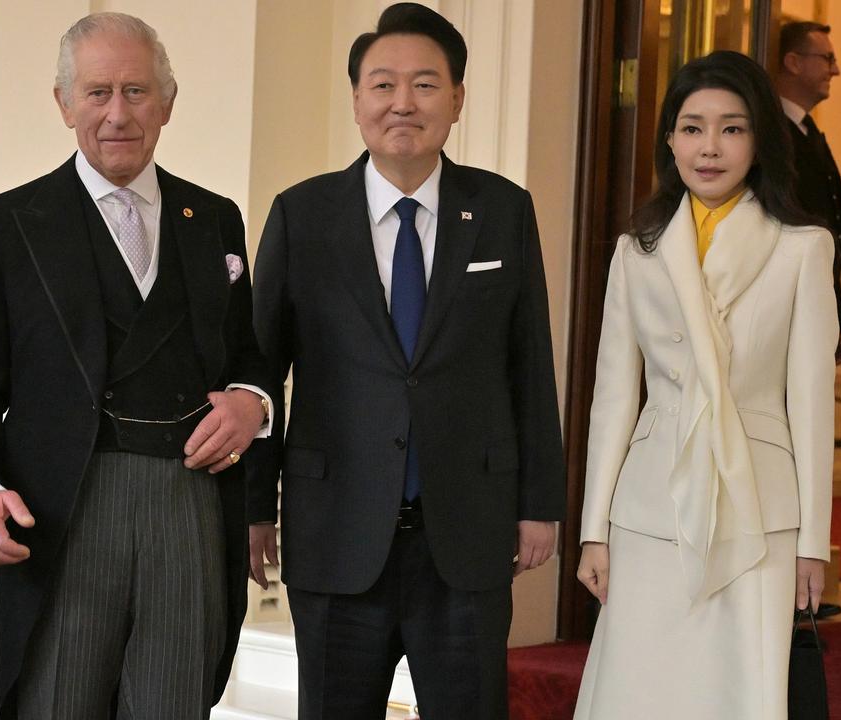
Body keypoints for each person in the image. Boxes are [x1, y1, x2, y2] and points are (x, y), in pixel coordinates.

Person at [0, 12, 272, 720]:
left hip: (191, 506)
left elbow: (247, 358)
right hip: (63, 512)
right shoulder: (6, 226)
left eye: (136, 91)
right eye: (96, 93)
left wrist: (251, 403)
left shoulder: (213, 220)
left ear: (168, 103)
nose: (117, 114)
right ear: (63, 104)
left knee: (174, 706)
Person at [249, 4, 565, 718]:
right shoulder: (302, 215)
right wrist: (252, 509)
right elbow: (262, 372)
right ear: (357, 99)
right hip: (335, 531)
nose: (403, 103)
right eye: (383, 84)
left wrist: (540, 503)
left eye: (425, 84)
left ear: (457, 99)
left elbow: (530, 362)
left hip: (465, 532)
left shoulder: (502, 210)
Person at [574, 50, 834, 719]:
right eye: (692, 127)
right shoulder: (640, 247)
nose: (709, 147)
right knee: (641, 691)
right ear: (669, 139)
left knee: (740, 692)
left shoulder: (802, 246)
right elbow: (612, 399)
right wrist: (593, 530)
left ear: (759, 140)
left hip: (762, 509)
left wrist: (813, 543)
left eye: (732, 128)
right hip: (651, 508)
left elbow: (809, 403)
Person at [775, 21, 841, 363]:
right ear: (793, 62)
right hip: (786, 308)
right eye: (827, 58)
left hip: (817, 298)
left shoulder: (807, 128)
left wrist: (839, 320)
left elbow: (827, 235)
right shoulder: (772, 133)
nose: (835, 70)